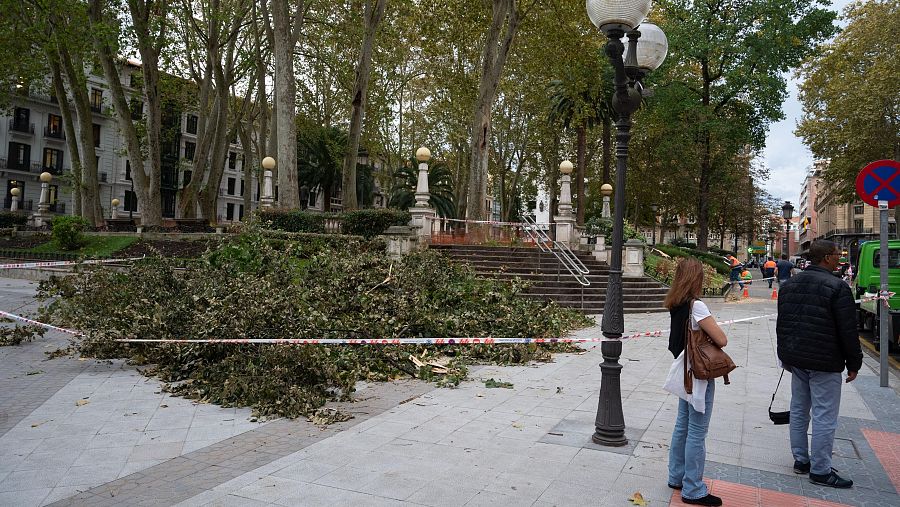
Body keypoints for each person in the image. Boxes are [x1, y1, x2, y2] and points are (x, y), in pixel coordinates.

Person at [776, 240, 863, 489]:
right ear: (826, 257)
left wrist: (785, 356)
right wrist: (854, 362)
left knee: (799, 409)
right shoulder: (837, 287)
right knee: (825, 414)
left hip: (797, 358)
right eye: (837, 254)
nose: (840, 257)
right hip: (825, 360)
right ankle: (821, 470)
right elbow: (848, 330)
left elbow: (782, 323)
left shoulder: (789, 285)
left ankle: (801, 460)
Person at [665, 258, 729, 506]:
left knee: (682, 425)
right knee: (697, 431)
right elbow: (721, 339)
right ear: (696, 278)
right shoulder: (697, 306)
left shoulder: (675, 302)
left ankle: (676, 476)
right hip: (699, 375)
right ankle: (693, 488)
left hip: (684, 371)